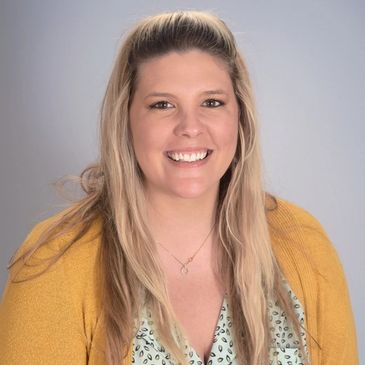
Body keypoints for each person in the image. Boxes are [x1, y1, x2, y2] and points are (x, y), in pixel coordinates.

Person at [0, 10, 358, 365]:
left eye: (212, 102)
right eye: (163, 105)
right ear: (124, 119)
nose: (190, 126)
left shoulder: (304, 245)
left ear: (240, 116)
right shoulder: (55, 265)